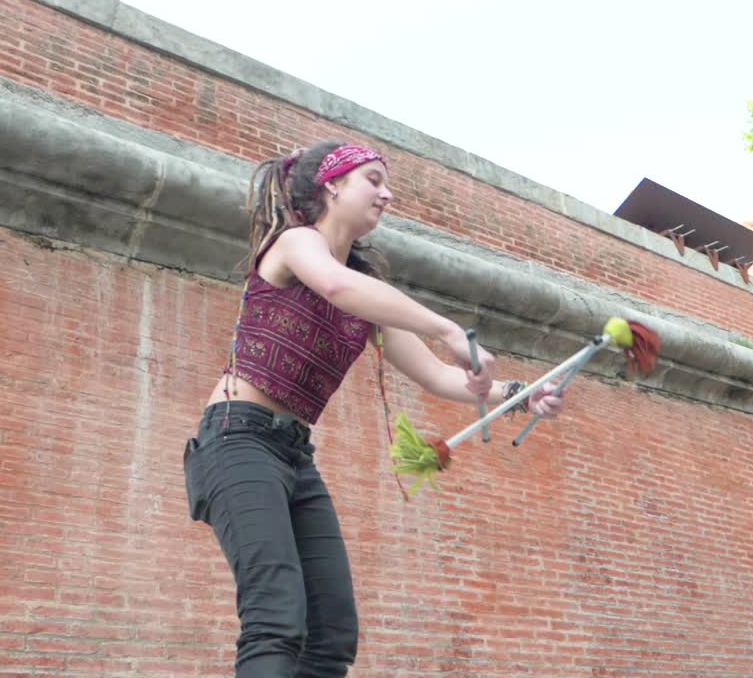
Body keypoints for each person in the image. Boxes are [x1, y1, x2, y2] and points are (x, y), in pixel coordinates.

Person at [183, 141, 564, 678]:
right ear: (331, 185)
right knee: (276, 621)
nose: (387, 194)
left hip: (294, 455)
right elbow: (337, 286)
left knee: (332, 637)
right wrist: (449, 328)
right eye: (373, 179)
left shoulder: (372, 297)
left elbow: (437, 375)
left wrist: (523, 393)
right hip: (236, 440)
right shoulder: (295, 245)